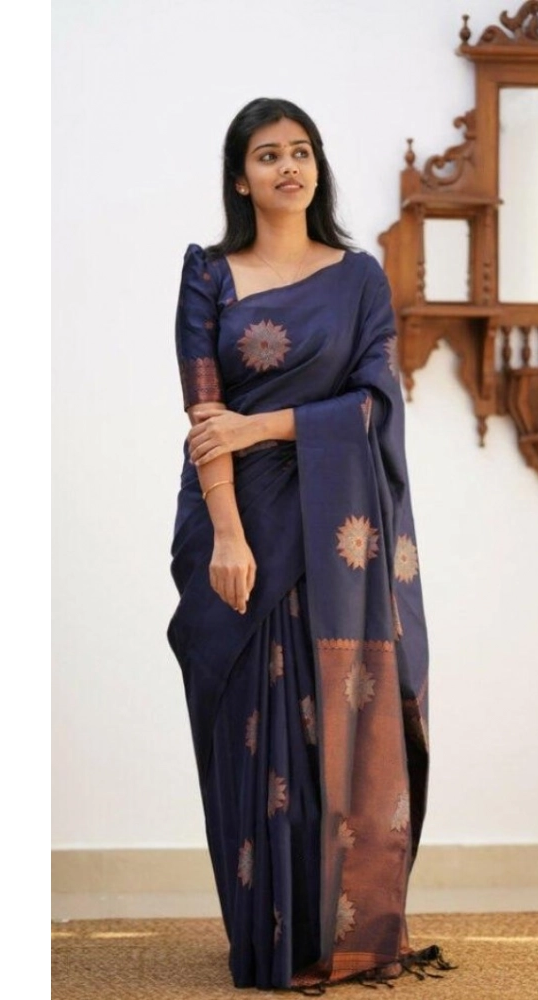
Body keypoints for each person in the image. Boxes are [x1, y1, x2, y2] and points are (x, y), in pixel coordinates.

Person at [167, 97, 449, 991]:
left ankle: (342, 934)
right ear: (239, 178)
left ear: (316, 167)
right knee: (249, 731)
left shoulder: (358, 278)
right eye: (267, 155)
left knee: (336, 726)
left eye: (300, 151)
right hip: (240, 524)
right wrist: (226, 532)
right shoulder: (209, 275)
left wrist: (261, 428)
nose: (287, 166)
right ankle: (269, 938)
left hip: (336, 534)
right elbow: (205, 416)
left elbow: (372, 404)